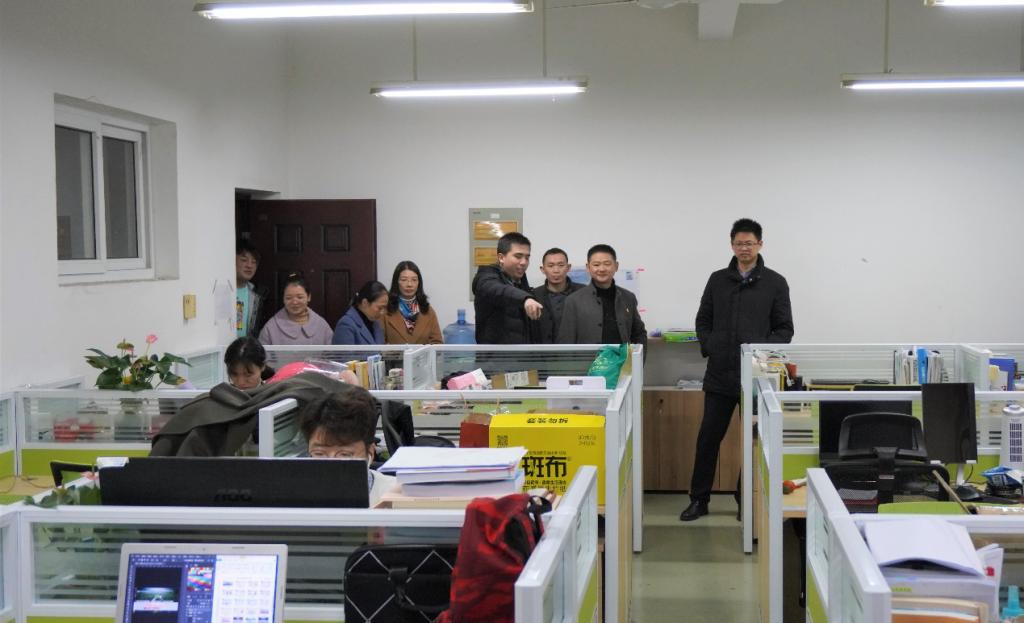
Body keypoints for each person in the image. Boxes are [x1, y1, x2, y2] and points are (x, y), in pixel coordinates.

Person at [680, 218, 794, 522]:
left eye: (750, 243)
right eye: (739, 243)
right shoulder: (718, 280)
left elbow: (784, 329)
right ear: (732, 245)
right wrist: (712, 345)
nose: (744, 248)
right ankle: (699, 499)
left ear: (760, 244)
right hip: (720, 373)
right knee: (708, 439)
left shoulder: (775, 282)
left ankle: (747, 499)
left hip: (756, 377)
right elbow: (703, 320)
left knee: (756, 441)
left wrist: (760, 354)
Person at [297, 387, 397, 507]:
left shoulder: (397, 498)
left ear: (369, 453)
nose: (331, 466)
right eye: (319, 453)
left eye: (344, 454)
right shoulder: (295, 498)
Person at [557, 244, 647, 348]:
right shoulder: (574, 300)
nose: (602, 269)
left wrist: (638, 357)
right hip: (588, 359)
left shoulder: (628, 297)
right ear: (588, 267)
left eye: (607, 264)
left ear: (616, 266)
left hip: (622, 358)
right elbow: (566, 340)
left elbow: (639, 334)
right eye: (596, 265)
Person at [472, 232, 542, 344]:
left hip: (522, 354)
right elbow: (498, 290)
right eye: (518, 256)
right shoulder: (485, 278)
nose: (524, 262)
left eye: (527, 257)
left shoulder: (521, 282)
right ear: (501, 257)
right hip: (496, 354)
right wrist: (525, 299)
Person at [258, 274, 334, 345]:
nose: (294, 302)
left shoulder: (322, 325)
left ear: (309, 297)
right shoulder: (270, 327)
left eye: (300, 297)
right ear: (283, 299)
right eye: (289, 298)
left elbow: (332, 353)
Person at [383, 261, 443, 344]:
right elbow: (379, 344)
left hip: (423, 353)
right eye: (404, 280)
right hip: (395, 353)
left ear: (419, 283)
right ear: (396, 282)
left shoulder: (427, 310)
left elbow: (437, 343)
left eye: (414, 280)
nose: (409, 284)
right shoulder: (385, 310)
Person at [533, 248, 584, 344]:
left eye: (561, 265)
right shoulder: (533, 296)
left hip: (576, 351)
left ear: (568, 267)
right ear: (542, 269)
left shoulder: (583, 293)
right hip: (543, 351)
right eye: (550, 266)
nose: (556, 270)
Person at [332, 280, 388, 345]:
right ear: (365, 303)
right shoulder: (346, 325)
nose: (382, 312)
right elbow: (344, 352)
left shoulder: (376, 323)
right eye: (380, 308)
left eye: (385, 308)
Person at [235, 240, 268, 338]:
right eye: (244, 260)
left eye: (254, 262)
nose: (249, 265)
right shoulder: (221, 290)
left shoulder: (258, 294)